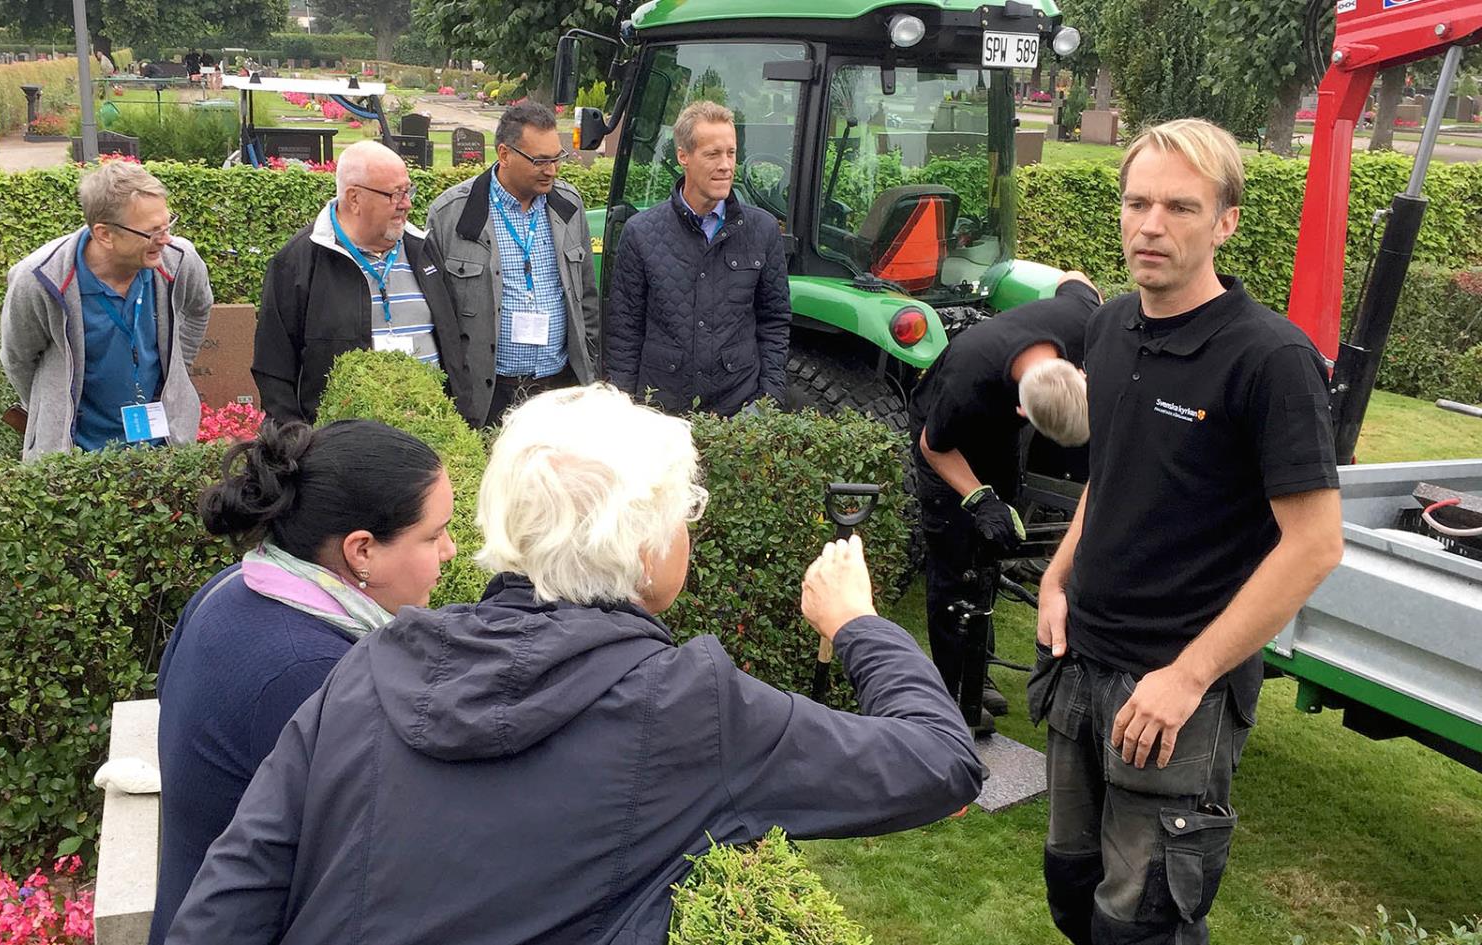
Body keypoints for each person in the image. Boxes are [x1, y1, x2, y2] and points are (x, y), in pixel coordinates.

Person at [166, 384, 984, 945]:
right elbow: (940, 759)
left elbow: (227, 902)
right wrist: (857, 624)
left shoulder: (375, 661)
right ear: (642, 544)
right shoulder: (688, 706)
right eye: (683, 515)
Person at [1032, 118, 1343, 945]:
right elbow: (1114, 472)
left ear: (1227, 220)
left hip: (1177, 691)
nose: (1150, 226)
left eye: (1179, 206)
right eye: (1136, 203)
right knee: (1073, 889)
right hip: (1083, 666)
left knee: (1144, 921)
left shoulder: (1269, 359)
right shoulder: (1109, 327)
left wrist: (1188, 675)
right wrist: (1058, 575)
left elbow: (1315, 543)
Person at [149, 418, 457, 945]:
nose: (449, 551)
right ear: (362, 551)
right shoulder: (313, 675)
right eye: (433, 535)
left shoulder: (235, 586)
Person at [908, 272, 1100, 735]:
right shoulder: (965, 382)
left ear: (1079, 372)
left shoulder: (1085, 321)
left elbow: (1076, 280)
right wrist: (978, 497)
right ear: (1021, 410)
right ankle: (951, 693)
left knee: (993, 549)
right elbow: (933, 446)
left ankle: (978, 667)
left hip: (997, 442)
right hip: (947, 444)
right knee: (955, 562)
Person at [0, 160, 214, 460]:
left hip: (164, 449)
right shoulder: (39, 279)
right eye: (152, 232)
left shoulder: (180, 261)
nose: (165, 239)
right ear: (104, 234)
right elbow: (18, 359)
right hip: (75, 460)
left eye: (168, 225)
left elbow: (198, 308)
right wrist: (52, 406)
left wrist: (180, 367)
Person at [605, 101, 791, 417]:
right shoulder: (641, 233)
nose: (726, 165)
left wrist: (767, 400)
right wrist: (623, 410)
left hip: (739, 411)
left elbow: (775, 321)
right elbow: (625, 331)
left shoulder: (763, 230)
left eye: (731, 153)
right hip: (662, 415)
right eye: (712, 154)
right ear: (683, 157)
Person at [253, 141, 458, 425]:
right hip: (344, 447)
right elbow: (273, 368)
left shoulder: (422, 249)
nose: (407, 203)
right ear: (354, 199)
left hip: (429, 434)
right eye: (394, 194)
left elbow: (452, 343)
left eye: (407, 190)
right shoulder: (297, 262)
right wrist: (299, 442)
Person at [424, 102, 601, 427]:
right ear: (504, 155)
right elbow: (436, 316)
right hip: (489, 397)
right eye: (540, 161)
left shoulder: (569, 205)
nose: (552, 170)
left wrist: (590, 366)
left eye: (556, 158)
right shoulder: (450, 215)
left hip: (559, 390)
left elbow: (587, 297)